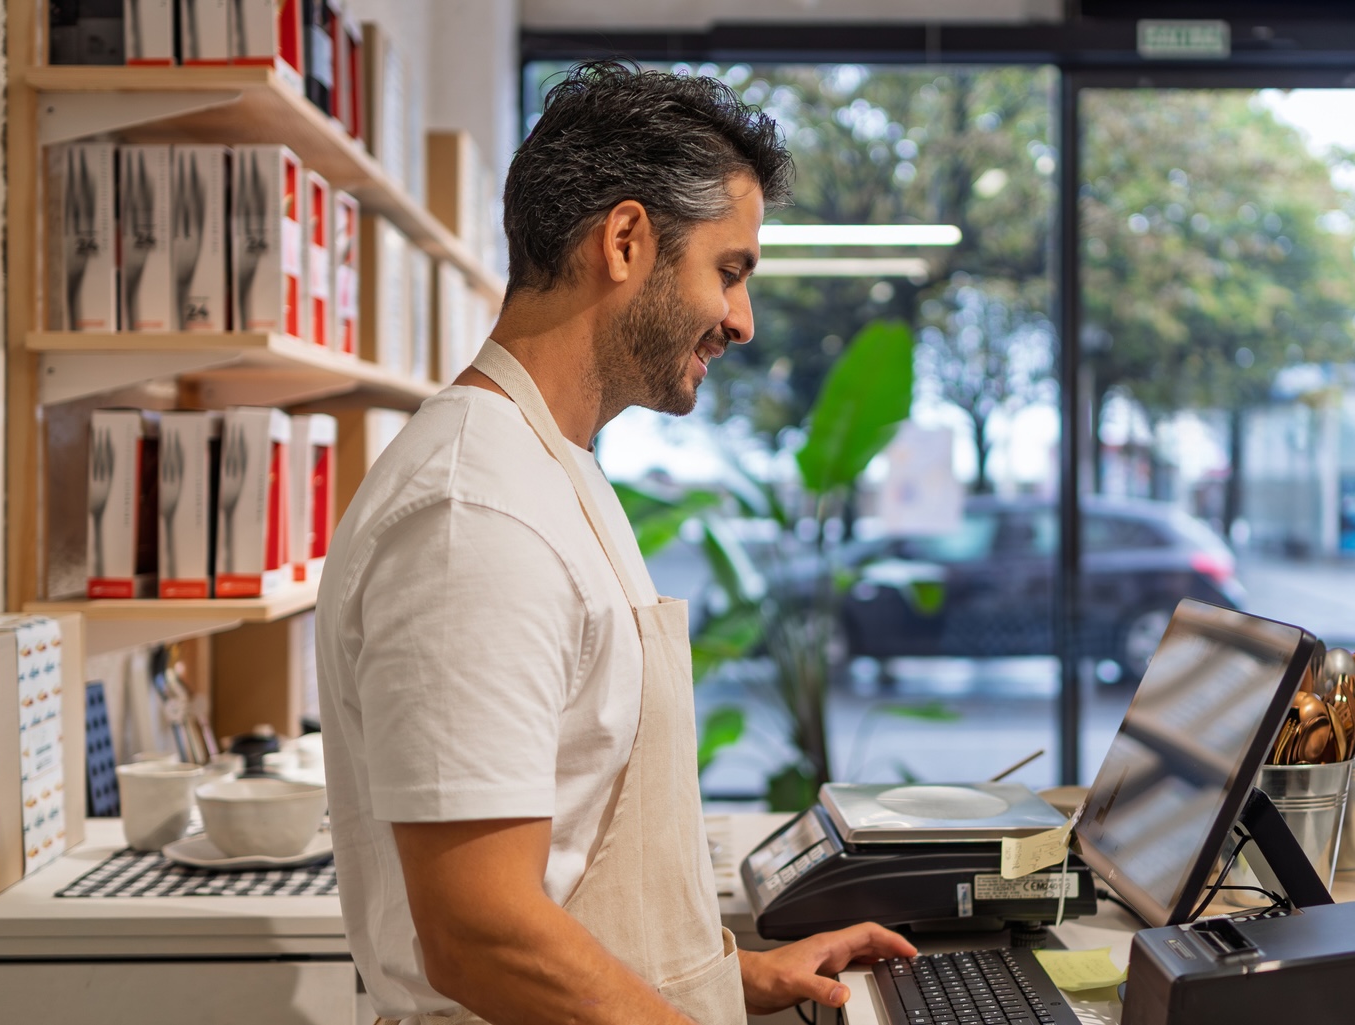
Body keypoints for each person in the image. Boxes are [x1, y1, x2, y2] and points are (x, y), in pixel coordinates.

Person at [316, 61, 914, 1025]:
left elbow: (571, 863)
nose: (742, 322)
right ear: (628, 240)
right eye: (729, 271)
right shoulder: (475, 510)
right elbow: (483, 931)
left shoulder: (550, 464)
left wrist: (737, 980)